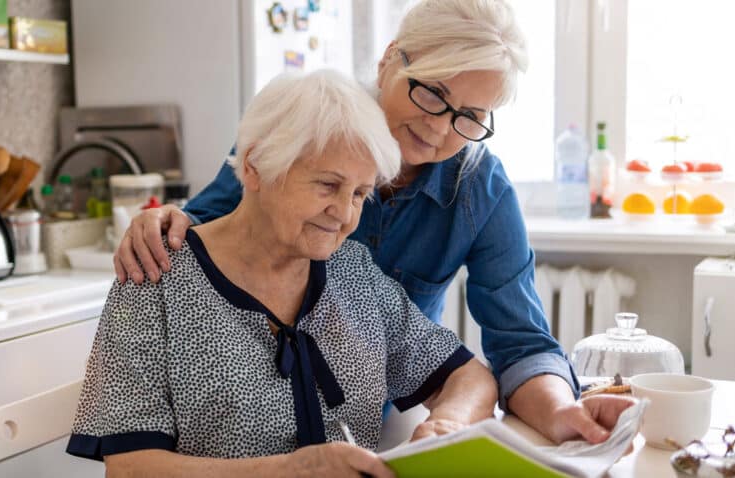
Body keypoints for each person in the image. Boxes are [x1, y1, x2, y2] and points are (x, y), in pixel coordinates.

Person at [113, 0, 636, 445]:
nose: (438, 127)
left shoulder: (480, 191)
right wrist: (159, 221)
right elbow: (203, 232)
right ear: (390, 61)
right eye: (432, 92)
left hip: (366, 421)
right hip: (238, 424)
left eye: (470, 116)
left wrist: (562, 412)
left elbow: (519, 344)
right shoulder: (303, 129)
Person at [67, 69, 497, 477]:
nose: (345, 214)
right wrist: (290, 472)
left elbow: (469, 377)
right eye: (328, 185)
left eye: (361, 194)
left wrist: (447, 427)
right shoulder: (156, 279)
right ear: (254, 166)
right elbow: (129, 468)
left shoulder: (354, 272)